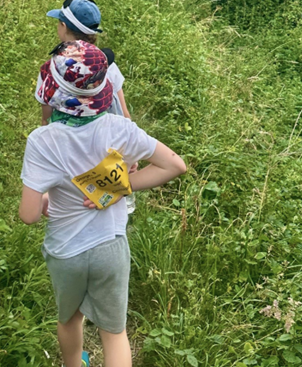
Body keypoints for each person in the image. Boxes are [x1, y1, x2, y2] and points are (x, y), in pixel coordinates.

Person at [19, 40, 187, 367]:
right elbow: (174, 165)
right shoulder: (118, 128)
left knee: (69, 319)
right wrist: (112, 187)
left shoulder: (41, 141)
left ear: (52, 91)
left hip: (66, 250)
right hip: (110, 247)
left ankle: (75, 364)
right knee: (114, 333)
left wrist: (42, 196)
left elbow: (28, 215)